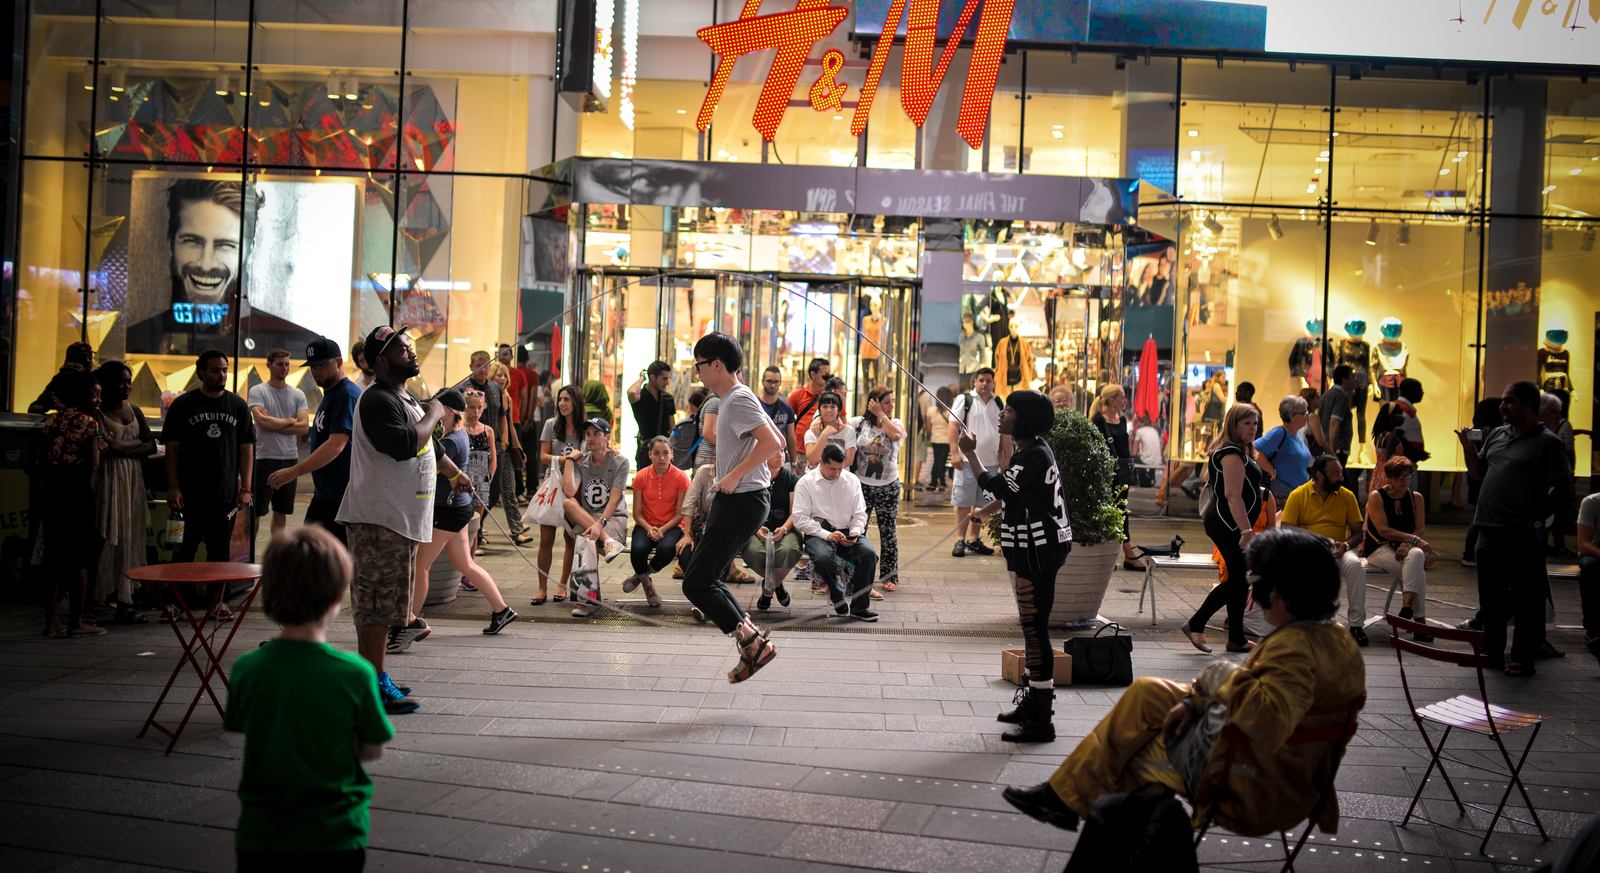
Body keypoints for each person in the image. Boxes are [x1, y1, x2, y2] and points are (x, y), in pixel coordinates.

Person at [1004, 528, 1366, 838]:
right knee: (1148, 692)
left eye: (1257, 584)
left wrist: (1217, 676)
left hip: (1253, 784)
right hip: (1287, 774)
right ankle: (1065, 797)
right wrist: (1196, 699)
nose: (1253, 596)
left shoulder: (1295, 650)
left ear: (1284, 593)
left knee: (1130, 757)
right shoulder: (1336, 640)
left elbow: (1267, 718)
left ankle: (1086, 814)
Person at [223, 526, 393, 873]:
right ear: (336, 597)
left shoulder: (247, 669)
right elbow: (372, 748)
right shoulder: (356, 673)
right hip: (334, 832)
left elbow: (242, 726)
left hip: (262, 833)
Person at [336, 324, 475, 715]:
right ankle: (373, 684)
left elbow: (426, 441)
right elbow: (404, 444)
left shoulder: (403, 395)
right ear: (381, 361)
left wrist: (451, 472)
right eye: (401, 349)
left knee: (389, 605)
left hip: (399, 520)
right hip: (379, 520)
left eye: (410, 347)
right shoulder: (377, 399)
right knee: (376, 606)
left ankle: (376, 675)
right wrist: (435, 410)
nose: (411, 353)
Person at [958, 389, 1072, 743]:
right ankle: (1034, 702)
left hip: (1039, 550)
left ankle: (1041, 719)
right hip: (1034, 548)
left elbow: (996, 485)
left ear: (1023, 420)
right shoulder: (1032, 451)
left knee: (1036, 629)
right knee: (1031, 627)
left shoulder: (1033, 455)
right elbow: (1013, 493)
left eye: (1008, 410)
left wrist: (970, 454)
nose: (1001, 414)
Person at [681, 332, 785, 683]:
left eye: (699, 365)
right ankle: (753, 642)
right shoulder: (733, 398)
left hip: (742, 500)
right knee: (706, 577)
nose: (698, 373)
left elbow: (771, 443)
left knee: (696, 582)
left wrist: (733, 476)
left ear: (716, 365)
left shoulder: (737, 398)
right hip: (742, 499)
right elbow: (779, 442)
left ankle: (753, 643)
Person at [1456, 381, 1571, 677]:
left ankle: (1521, 658)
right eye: (1503, 401)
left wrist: (1539, 516)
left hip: (1521, 532)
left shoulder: (1547, 442)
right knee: (1490, 597)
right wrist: (1468, 449)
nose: (1502, 406)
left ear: (1529, 406)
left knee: (1526, 598)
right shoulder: (1498, 433)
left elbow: (1563, 486)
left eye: (1509, 401)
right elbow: (1478, 473)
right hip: (1487, 528)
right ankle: (1493, 654)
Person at [406, 389, 518, 636]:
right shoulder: (461, 434)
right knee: (464, 563)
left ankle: (408, 622)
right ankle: (501, 610)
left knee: (421, 566)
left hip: (448, 510)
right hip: (459, 507)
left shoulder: (449, 442)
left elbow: (427, 468)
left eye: (435, 408)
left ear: (446, 411)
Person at [165, 350, 256, 577]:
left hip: (224, 496)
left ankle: (218, 604)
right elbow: (172, 450)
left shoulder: (238, 406)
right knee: (184, 550)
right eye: (215, 370)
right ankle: (177, 602)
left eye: (225, 370)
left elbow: (247, 449)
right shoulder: (183, 405)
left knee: (219, 552)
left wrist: (246, 488)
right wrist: (174, 486)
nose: (222, 375)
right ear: (201, 373)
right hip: (189, 495)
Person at [1186, 404, 1268, 654]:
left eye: (1255, 424)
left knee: (1240, 578)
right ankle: (1196, 623)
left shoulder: (1241, 450)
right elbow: (1233, 495)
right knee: (1240, 577)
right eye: (1247, 423)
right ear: (1233, 425)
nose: (1253, 428)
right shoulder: (1231, 452)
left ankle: (1236, 638)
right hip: (1228, 523)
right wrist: (1245, 531)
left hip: (1229, 523)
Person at [266, 338, 357, 543]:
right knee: (312, 557)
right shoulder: (332, 393)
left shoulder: (346, 395)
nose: (316, 372)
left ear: (339, 362)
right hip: (327, 494)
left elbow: (336, 445)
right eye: (313, 367)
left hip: (341, 498)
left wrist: (293, 471)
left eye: (321, 366)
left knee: (316, 557)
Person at [39, 371, 106, 638]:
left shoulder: (53, 421)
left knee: (53, 558)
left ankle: (51, 620)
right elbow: (93, 464)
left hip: (54, 491)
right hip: (78, 492)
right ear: (82, 397)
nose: (98, 400)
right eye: (94, 395)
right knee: (81, 558)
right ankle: (77, 620)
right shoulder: (89, 424)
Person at [1279, 455, 1372, 646]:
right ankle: (1312, 622)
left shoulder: (1347, 495)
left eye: (1341, 472)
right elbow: (1286, 530)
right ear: (1320, 475)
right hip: (1308, 550)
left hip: (1338, 548)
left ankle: (1356, 625)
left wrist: (1345, 545)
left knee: (1355, 565)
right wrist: (1315, 540)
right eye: (1336, 473)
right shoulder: (1298, 495)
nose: (1341, 477)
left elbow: (1357, 533)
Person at [93, 360, 154, 624]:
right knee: (108, 537)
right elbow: (109, 447)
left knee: (130, 536)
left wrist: (124, 446)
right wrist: (133, 445)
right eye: (121, 381)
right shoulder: (96, 413)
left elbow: (151, 445)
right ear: (105, 384)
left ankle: (125, 598)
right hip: (109, 481)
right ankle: (98, 597)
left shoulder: (135, 409)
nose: (127, 386)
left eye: (128, 381)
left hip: (132, 481)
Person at [793, 443, 879, 622]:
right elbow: (800, 519)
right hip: (818, 531)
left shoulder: (851, 480)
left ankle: (860, 607)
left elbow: (860, 513)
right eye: (832, 468)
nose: (837, 473)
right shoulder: (806, 482)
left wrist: (855, 533)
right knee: (823, 557)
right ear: (821, 462)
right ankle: (837, 593)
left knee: (869, 555)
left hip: (847, 530)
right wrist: (827, 535)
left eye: (841, 468)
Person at [559, 418, 629, 618]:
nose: (590, 438)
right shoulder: (583, 462)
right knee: (568, 504)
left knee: (586, 538)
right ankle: (608, 542)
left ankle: (587, 600)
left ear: (607, 437)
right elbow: (569, 491)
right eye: (588, 434)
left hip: (613, 518)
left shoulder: (620, 461)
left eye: (596, 434)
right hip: (590, 518)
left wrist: (600, 525)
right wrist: (570, 461)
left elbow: (615, 499)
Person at [1363, 454, 1433, 637]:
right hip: (1379, 547)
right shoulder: (1377, 496)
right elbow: (1383, 530)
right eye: (1398, 476)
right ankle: (1419, 622)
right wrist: (1413, 541)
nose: (1403, 480)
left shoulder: (1416, 497)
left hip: (1406, 549)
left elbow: (1419, 529)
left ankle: (1407, 606)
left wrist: (1408, 544)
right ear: (1389, 478)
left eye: (1407, 475)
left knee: (1416, 556)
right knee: (1418, 573)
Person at [248, 348, 310, 546]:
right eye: (280, 364)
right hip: (263, 458)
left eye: (286, 364)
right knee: (256, 511)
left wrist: (274, 423)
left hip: (289, 458)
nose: (284, 368)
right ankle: (248, 555)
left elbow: (302, 427)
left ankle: (277, 554)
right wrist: (290, 421)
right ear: (269, 365)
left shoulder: (297, 394)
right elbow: (261, 422)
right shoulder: (258, 391)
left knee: (281, 511)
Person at [532, 384, 586, 604]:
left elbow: (590, 454)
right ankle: (541, 587)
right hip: (553, 485)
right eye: (560, 400)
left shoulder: (585, 427)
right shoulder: (551, 425)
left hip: (575, 486)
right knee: (546, 538)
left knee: (570, 537)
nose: (562, 404)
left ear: (576, 402)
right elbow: (543, 455)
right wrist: (566, 459)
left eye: (567, 400)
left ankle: (562, 584)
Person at [851, 386, 905, 594]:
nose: (891, 405)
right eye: (886, 402)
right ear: (873, 403)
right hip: (862, 484)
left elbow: (896, 435)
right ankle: (856, 573)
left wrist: (882, 415)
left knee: (888, 531)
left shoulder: (894, 423)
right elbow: (838, 427)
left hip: (888, 486)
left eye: (892, 402)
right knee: (858, 530)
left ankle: (889, 576)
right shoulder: (859, 423)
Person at [623, 436, 686, 608]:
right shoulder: (642, 476)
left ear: (672, 454)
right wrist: (650, 528)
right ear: (650, 455)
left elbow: (680, 515)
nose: (661, 457)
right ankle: (648, 586)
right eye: (656, 453)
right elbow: (636, 513)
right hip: (645, 524)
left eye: (666, 453)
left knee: (666, 549)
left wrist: (662, 530)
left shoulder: (681, 478)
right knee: (638, 549)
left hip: (672, 525)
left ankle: (641, 575)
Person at [1090, 384, 1146, 572]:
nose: (1125, 401)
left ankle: (1123, 552)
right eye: (1122, 397)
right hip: (1107, 473)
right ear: (1112, 399)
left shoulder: (1121, 420)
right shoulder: (1099, 420)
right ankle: (1121, 553)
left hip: (1122, 473)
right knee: (1110, 511)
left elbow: (1125, 450)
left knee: (1121, 510)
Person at [475, 356, 531, 545]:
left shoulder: (503, 396)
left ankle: (516, 530)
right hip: (485, 448)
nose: (503, 379)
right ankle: (478, 529)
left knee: (508, 489)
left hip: (502, 449)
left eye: (505, 376)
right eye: (499, 375)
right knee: (487, 491)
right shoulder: (486, 393)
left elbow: (508, 423)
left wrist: (513, 446)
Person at [949, 368, 1003, 558]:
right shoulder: (965, 401)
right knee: (964, 502)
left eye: (988, 381)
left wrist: (1004, 459)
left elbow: (1004, 433)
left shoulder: (998, 402)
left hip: (990, 464)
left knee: (982, 503)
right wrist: (954, 452)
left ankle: (973, 539)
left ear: (993, 383)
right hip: (967, 462)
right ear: (974, 382)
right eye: (981, 380)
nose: (984, 384)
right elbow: (953, 425)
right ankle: (960, 539)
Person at [747, 450, 802, 611]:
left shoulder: (791, 479)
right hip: (755, 528)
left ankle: (767, 590)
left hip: (786, 527)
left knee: (789, 549)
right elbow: (746, 509)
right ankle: (777, 585)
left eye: (783, 451)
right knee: (753, 552)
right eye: (775, 452)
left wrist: (784, 528)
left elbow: (795, 512)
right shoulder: (753, 477)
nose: (781, 455)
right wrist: (756, 529)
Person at [1255, 395, 1314, 506]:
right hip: (1282, 495)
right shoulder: (1279, 433)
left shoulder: (1299, 435)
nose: (1307, 416)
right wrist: (1271, 470)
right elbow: (1254, 449)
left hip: (1298, 494)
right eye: (1304, 413)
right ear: (1292, 415)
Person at [1540, 391, 1578, 557]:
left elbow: (1569, 454)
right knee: (1553, 512)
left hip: (1553, 477)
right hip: (1552, 477)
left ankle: (1553, 544)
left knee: (1555, 512)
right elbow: (1570, 452)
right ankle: (1554, 545)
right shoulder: (1562, 426)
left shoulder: (1553, 426)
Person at [628, 360, 676, 469]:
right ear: (653, 377)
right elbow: (632, 393)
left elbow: (672, 426)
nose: (667, 383)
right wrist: (641, 379)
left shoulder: (667, 398)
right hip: (646, 450)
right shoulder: (641, 396)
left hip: (664, 450)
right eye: (664, 379)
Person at [28, 340, 94, 414]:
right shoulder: (62, 379)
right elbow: (35, 407)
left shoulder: (61, 378)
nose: (88, 360)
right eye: (83, 356)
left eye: (89, 356)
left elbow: (35, 407)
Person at [787, 357, 832, 463]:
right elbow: (786, 421)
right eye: (825, 375)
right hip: (800, 451)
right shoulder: (797, 395)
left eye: (829, 375)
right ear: (813, 375)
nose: (828, 379)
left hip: (823, 452)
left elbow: (842, 421)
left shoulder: (833, 398)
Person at [1574, 490, 1600, 665]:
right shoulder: (1592, 502)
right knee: (1591, 566)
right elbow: (1584, 544)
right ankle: (1593, 626)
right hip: (1595, 553)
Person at [803, 391, 857, 471]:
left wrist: (829, 471)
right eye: (825, 406)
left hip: (840, 477)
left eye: (832, 407)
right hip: (815, 478)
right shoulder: (812, 432)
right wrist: (824, 434)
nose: (828, 410)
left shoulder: (849, 431)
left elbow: (849, 461)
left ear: (838, 410)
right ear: (819, 410)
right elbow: (812, 460)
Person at [1321, 364, 1356, 486]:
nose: (1354, 380)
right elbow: (1334, 422)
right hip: (1338, 448)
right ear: (1344, 379)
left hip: (1327, 447)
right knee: (1338, 483)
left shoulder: (1326, 395)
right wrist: (1332, 450)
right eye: (1352, 376)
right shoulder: (1341, 396)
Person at [757, 366, 797, 461]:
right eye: (769, 381)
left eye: (776, 382)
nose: (773, 385)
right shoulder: (755, 406)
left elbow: (791, 437)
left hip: (781, 459)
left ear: (780, 383)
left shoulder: (787, 408)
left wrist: (793, 461)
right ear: (763, 381)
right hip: (760, 458)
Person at [926, 385, 954, 492]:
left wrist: (929, 437)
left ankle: (934, 482)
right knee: (942, 462)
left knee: (936, 461)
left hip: (935, 439)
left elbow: (928, 427)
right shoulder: (950, 412)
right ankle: (941, 482)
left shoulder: (931, 410)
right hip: (946, 440)